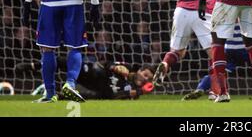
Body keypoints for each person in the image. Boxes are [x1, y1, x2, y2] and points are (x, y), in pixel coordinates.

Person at [16, 60, 154, 100]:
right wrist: (114, 67)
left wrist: (140, 91)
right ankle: (33, 66)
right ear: (140, 70)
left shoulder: (135, 94)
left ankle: (54, 94)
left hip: (95, 91)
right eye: (145, 74)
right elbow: (105, 63)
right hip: (94, 76)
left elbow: (114, 96)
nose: (145, 79)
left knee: (97, 96)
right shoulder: (127, 67)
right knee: (84, 65)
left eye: (148, 79)